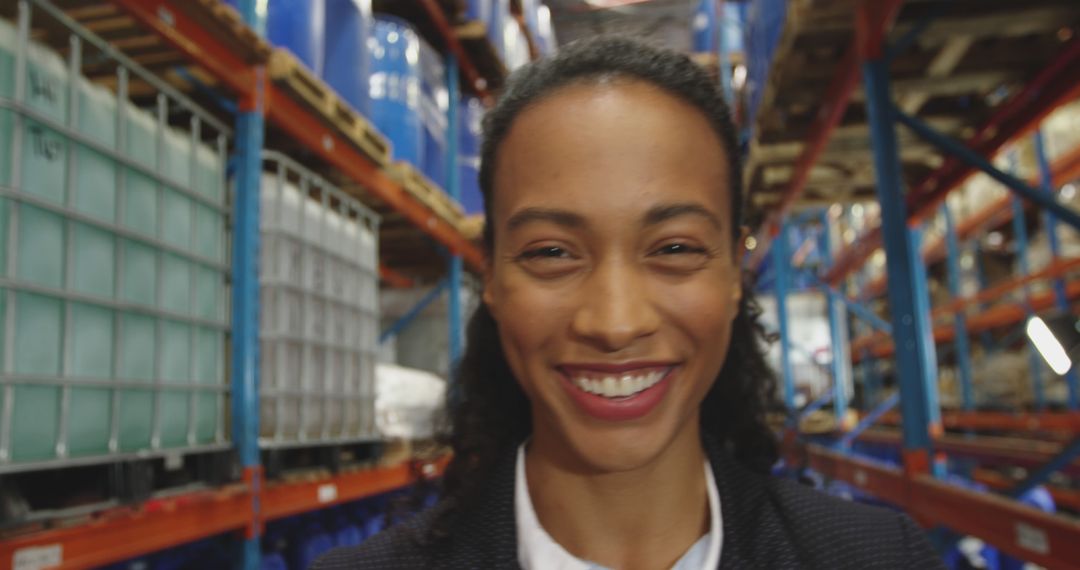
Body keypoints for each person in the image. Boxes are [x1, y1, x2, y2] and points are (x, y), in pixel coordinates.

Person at [314, 36, 944, 570]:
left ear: (733, 274)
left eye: (673, 247)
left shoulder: (877, 557)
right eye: (552, 253)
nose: (615, 323)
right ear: (494, 283)